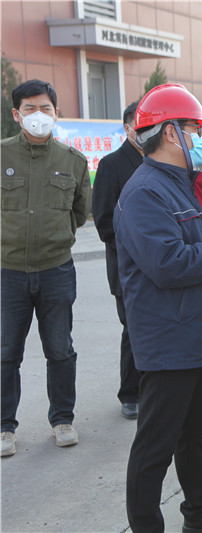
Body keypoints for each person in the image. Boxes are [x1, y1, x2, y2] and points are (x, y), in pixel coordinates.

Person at [116, 84, 202, 533]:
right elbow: (168, 263)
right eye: (194, 129)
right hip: (169, 340)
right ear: (171, 133)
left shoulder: (185, 186)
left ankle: (198, 512)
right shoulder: (145, 192)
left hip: (197, 332)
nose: (200, 138)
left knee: (194, 432)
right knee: (155, 446)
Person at [1, 79, 90, 457]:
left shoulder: (73, 161)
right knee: (6, 352)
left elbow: (79, 213)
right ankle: (4, 427)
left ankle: (62, 420)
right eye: (30, 109)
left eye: (46, 109)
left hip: (56, 269)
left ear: (57, 113)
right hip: (7, 272)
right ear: (16, 114)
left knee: (60, 349)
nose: (38, 115)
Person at [92, 100, 143, 420]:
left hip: (164, 264)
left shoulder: (164, 161)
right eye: (140, 125)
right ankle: (130, 394)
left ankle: (154, 389)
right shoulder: (112, 165)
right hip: (128, 267)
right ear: (127, 128)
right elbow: (103, 220)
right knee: (134, 331)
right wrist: (139, 248)